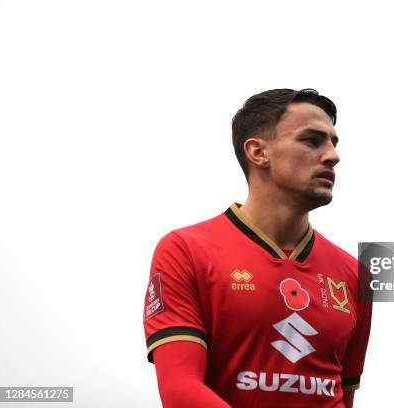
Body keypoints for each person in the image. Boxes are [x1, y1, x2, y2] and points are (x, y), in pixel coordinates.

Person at [142, 88, 373, 408]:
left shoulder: (354, 274)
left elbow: (344, 399)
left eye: (334, 143)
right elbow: (180, 390)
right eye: (312, 140)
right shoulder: (186, 250)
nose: (332, 155)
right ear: (258, 152)